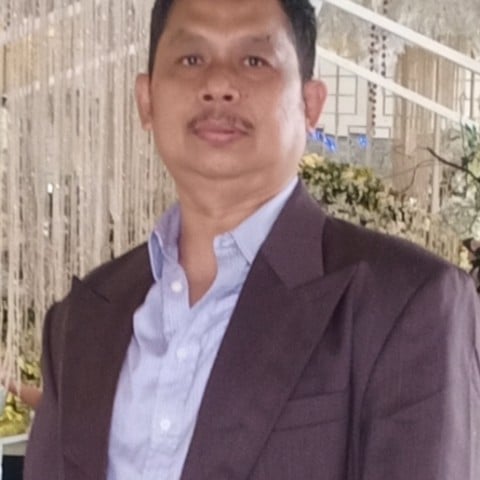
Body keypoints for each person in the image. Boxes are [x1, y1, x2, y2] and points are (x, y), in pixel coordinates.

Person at [24, 0, 480, 478]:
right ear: (147, 100)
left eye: (254, 60)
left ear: (310, 105)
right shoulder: (80, 320)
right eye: (192, 58)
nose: (218, 84)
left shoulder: (406, 303)